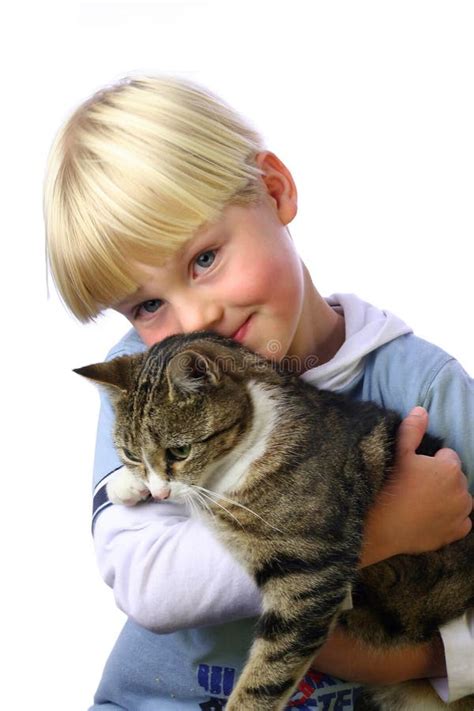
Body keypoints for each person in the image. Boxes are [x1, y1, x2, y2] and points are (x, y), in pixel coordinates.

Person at [44, 75, 474, 710]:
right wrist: (375, 531)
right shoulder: (143, 381)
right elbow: (149, 582)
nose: (195, 321)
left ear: (275, 192)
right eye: (149, 304)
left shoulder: (419, 383)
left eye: (205, 259)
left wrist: (436, 661)